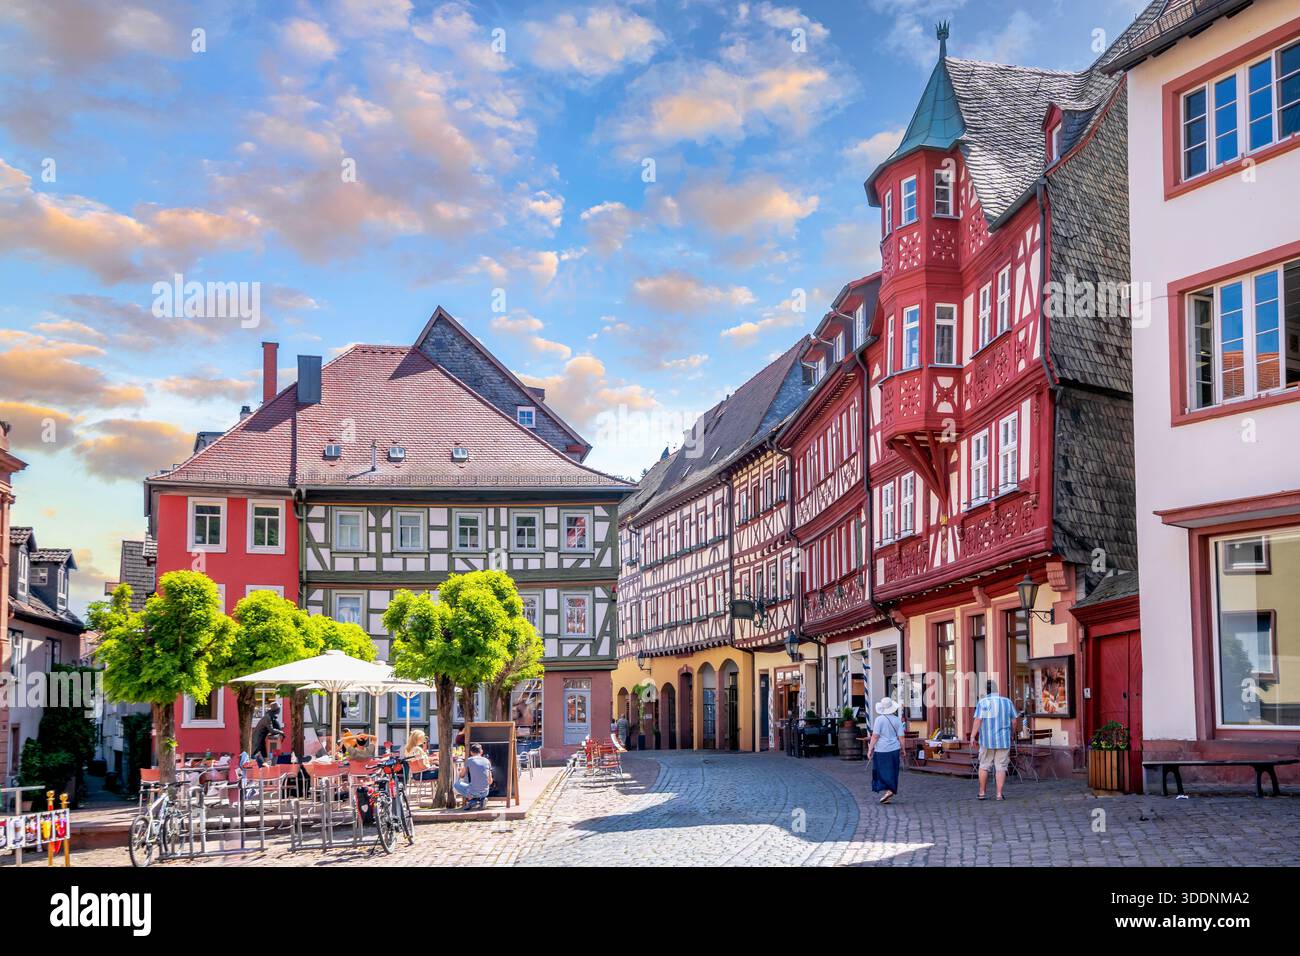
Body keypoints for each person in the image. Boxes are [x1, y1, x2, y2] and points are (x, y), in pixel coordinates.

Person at [969, 679, 1021, 801]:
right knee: (1001, 767)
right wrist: (1012, 733)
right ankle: (999, 794)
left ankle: (982, 793)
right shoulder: (1007, 702)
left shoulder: (983, 702)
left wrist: (972, 736)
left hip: (987, 741)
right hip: (1003, 740)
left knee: (984, 766)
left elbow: (978, 720)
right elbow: (1014, 721)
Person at [867, 695, 905, 804]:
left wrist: (870, 749)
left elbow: (875, 736)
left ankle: (887, 791)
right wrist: (903, 749)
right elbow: (901, 737)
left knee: (880, 770)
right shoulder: (897, 720)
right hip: (894, 749)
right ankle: (889, 791)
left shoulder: (879, 720)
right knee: (893, 770)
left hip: (881, 750)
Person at [454, 742, 493, 810]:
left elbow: (462, 775)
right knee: (474, 787)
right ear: (481, 752)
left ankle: (472, 800)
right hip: (485, 792)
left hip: (473, 792)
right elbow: (490, 781)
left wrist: (460, 771)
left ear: (471, 752)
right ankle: (481, 799)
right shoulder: (487, 761)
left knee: (456, 784)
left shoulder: (469, 760)